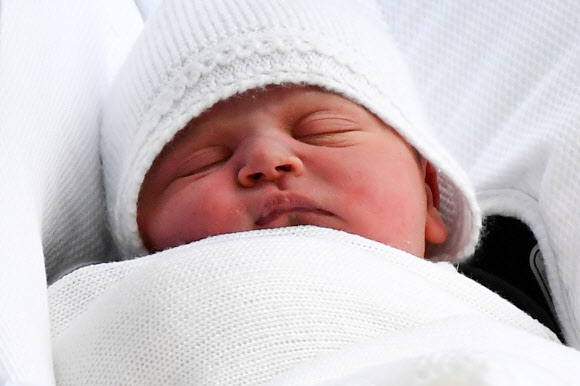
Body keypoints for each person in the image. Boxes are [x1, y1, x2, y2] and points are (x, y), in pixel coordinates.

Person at [101, 0, 481, 265]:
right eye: (201, 162)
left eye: (323, 131)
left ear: (428, 192)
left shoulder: (487, 319)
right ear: (143, 240)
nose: (266, 158)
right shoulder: (104, 314)